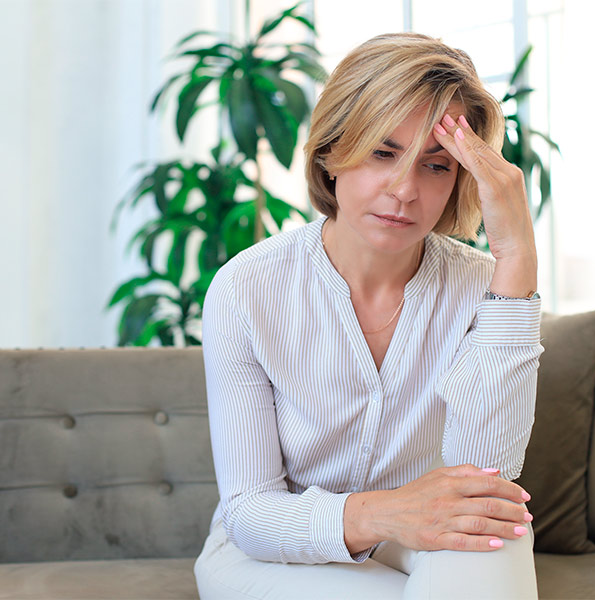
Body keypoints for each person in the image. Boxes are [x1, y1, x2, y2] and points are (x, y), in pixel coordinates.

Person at [194, 32, 544, 599]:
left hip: (423, 532)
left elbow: (485, 478)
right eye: (384, 153)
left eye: (436, 166)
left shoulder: (486, 286)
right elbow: (252, 512)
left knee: (492, 533)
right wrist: (388, 514)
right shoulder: (246, 289)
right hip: (274, 549)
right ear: (332, 153)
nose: (405, 190)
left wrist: (517, 255)